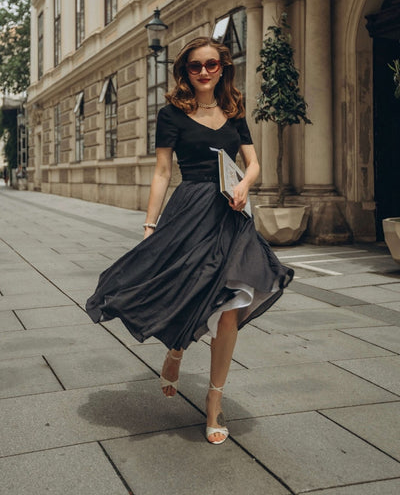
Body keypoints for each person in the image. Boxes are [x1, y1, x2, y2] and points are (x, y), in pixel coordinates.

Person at [86, 37, 293, 444]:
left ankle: (213, 404)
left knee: (232, 304)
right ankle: (176, 350)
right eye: (195, 66)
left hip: (231, 215)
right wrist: (150, 226)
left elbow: (253, 164)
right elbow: (163, 172)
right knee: (187, 291)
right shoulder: (171, 115)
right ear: (185, 71)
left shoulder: (234, 111)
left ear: (222, 68)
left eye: (211, 64)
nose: (203, 72)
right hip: (190, 211)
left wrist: (246, 185)